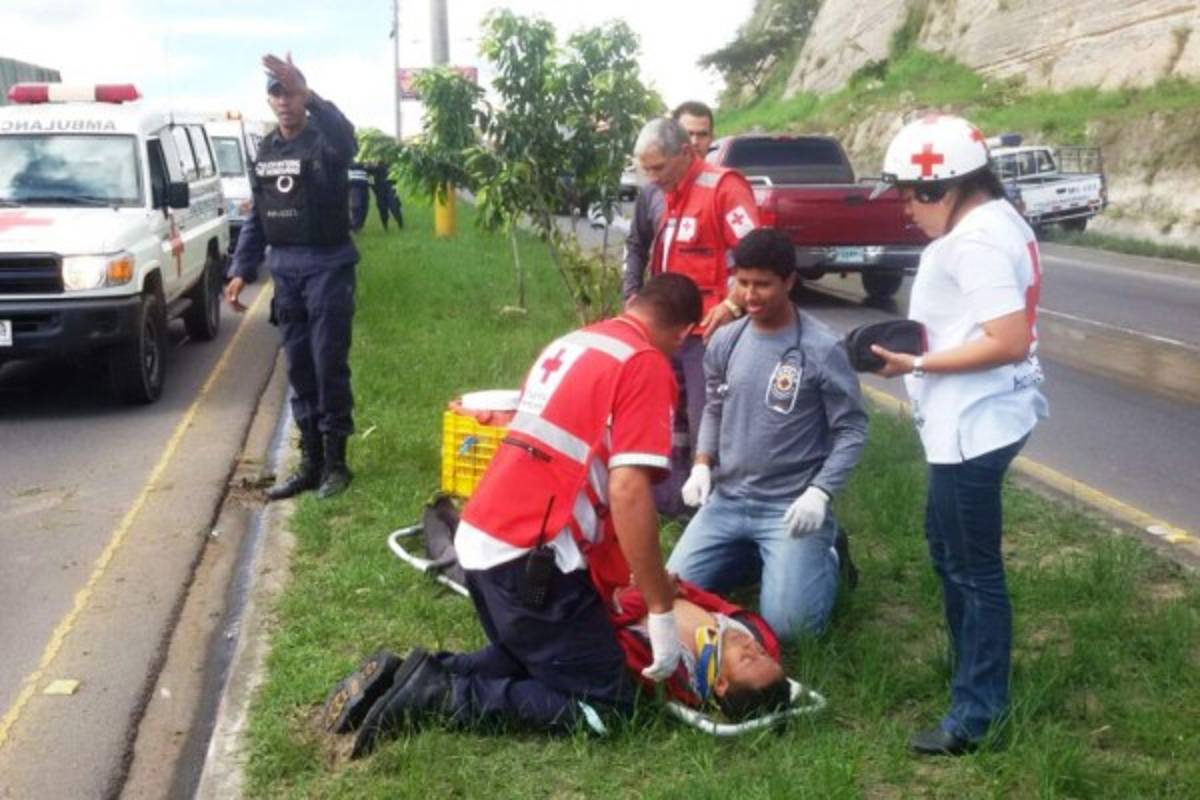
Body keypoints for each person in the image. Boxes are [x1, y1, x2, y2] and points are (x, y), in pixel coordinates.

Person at [341, 274, 703, 757]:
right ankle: (443, 696)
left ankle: (412, 672)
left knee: (534, 657)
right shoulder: (645, 364)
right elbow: (629, 492)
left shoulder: (577, 343)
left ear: (634, 303)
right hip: (530, 564)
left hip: (484, 539)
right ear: (683, 333)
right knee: (610, 707)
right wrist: (660, 609)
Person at [868, 113, 1048, 756]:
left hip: (974, 423)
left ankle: (976, 715)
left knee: (972, 569)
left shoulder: (972, 240)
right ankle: (973, 672)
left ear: (940, 188)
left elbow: (1006, 339)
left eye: (909, 196)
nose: (905, 210)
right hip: (977, 416)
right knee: (947, 548)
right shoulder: (997, 219)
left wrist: (914, 363)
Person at [666, 228, 868, 641]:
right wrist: (702, 466)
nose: (750, 295)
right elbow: (715, 407)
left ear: (790, 281)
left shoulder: (821, 348)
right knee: (671, 594)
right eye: (742, 282)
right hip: (727, 500)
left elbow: (852, 428)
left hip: (788, 506)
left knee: (791, 631)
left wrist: (820, 492)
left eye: (763, 284)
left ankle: (828, 554)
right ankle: (753, 556)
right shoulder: (725, 340)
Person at [322, 576, 789, 748]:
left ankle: (424, 672)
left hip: (555, 600)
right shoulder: (743, 627)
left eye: (750, 662)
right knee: (600, 712)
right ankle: (445, 693)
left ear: (722, 687)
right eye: (761, 653)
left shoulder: (685, 677)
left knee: (536, 665)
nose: (754, 650)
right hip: (565, 600)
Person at [226, 54, 359, 500]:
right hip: (286, 271)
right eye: (277, 93)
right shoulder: (266, 150)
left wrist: (311, 92)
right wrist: (241, 269)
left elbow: (348, 138)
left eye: (291, 92)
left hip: (327, 266)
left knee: (327, 363)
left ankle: (337, 464)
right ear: (269, 101)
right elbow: (257, 217)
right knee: (299, 365)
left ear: (303, 96)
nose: (284, 101)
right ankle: (311, 461)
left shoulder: (327, 142)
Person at [631, 113, 759, 516]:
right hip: (669, 332)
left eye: (658, 168)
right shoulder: (664, 193)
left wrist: (734, 304)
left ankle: (718, 511)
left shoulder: (723, 188)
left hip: (710, 335)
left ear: (685, 152)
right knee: (670, 421)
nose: (652, 178)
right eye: (646, 169)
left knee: (710, 421)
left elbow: (755, 258)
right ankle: (673, 503)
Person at [609, 578, 789, 720]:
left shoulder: (671, 671)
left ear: (720, 684)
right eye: (762, 653)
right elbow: (713, 602)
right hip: (652, 585)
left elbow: (604, 623)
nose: (752, 645)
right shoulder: (759, 637)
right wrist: (673, 586)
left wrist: (654, 592)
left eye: (746, 658)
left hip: (614, 592)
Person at [367, 162, 403, 231]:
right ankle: (385, 226)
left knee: (394, 206)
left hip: (389, 186)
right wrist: (373, 187)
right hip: (379, 188)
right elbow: (369, 176)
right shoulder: (372, 164)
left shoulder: (388, 161)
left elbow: (395, 173)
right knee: (382, 208)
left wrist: (395, 186)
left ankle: (400, 224)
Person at [347, 161, 370, 233]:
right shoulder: (351, 155)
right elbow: (349, 164)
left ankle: (359, 225)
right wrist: (363, 164)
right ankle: (354, 225)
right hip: (354, 184)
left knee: (365, 206)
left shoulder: (366, 156)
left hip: (364, 184)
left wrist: (370, 166)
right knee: (356, 205)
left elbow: (370, 170)